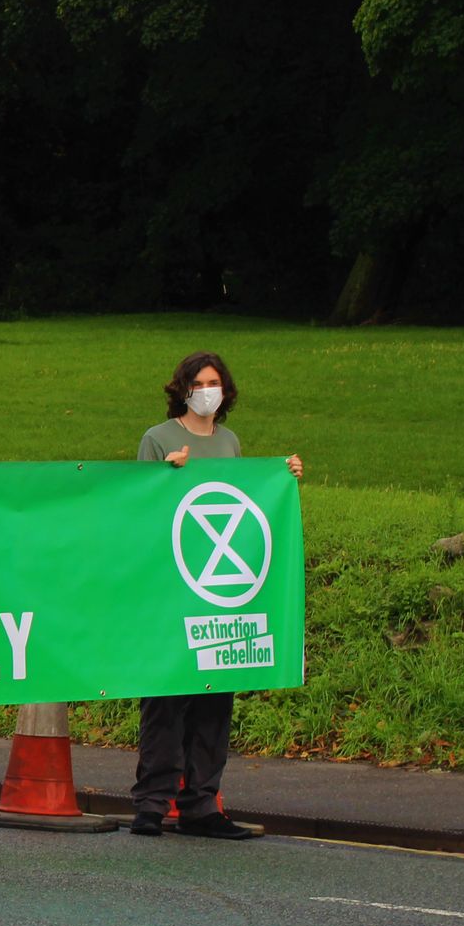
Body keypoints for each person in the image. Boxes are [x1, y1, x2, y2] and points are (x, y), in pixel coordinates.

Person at [131, 351, 303, 840]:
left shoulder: (229, 442)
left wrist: (283, 476)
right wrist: (165, 475)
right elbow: (137, 507)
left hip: (216, 591)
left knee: (213, 700)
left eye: (215, 383)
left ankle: (201, 804)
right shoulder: (158, 439)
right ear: (182, 389)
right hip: (171, 588)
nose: (208, 391)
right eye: (200, 382)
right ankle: (152, 803)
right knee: (166, 699)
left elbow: (242, 503)